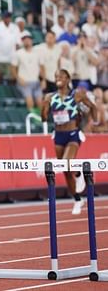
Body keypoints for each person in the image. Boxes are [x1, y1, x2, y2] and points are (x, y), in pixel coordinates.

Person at [41, 69, 98, 215]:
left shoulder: (76, 95)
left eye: (61, 76)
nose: (58, 78)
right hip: (58, 134)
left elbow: (93, 107)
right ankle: (78, 199)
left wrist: (94, 121)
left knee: (67, 162)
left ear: (67, 79)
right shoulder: (50, 96)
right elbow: (43, 118)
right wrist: (44, 108)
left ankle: (79, 174)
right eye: (56, 76)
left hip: (73, 134)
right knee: (65, 170)